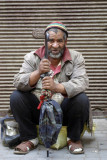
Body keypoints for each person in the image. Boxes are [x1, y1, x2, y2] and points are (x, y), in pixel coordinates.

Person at [10, 21, 92, 155]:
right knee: (17, 97)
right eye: (51, 40)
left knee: (81, 99)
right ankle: (29, 138)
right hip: (40, 110)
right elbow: (18, 81)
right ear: (45, 41)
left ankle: (74, 139)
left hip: (64, 112)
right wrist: (38, 72)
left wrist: (57, 87)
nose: (55, 45)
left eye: (59, 41)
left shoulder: (76, 57)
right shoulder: (32, 57)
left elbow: (82, 82)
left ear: (66, 41)